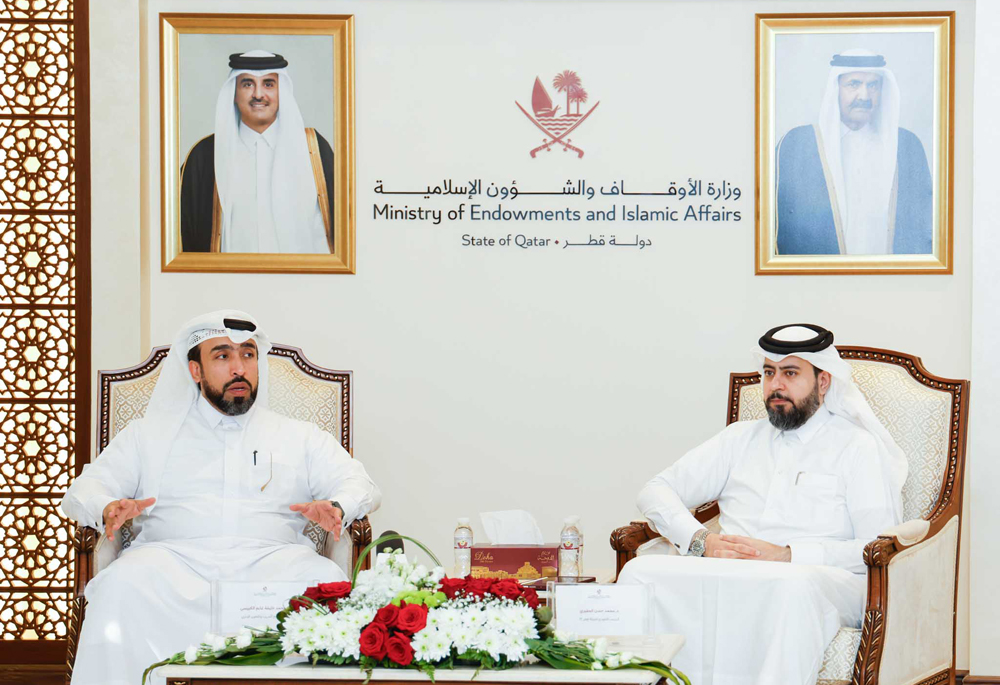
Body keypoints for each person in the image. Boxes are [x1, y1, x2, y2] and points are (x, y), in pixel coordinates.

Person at [61, 310, 380, 685]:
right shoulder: (147, 435)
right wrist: (107, 506)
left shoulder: (299, 436)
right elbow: (85, 488)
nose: (239, 368)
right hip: (169, 565)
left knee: (323, 580)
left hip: (274, 564)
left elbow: (359, 482)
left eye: (248, 355)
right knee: (120, 586)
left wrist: (338, 505)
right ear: (195, 370)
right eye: (223, 356)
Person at [618, 323, 905, 685]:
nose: (775, 385)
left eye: (790, 373)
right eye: (769, 373)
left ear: (823, 381)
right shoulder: (740, 439)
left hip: (821, 579)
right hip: (734, 571)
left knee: (791, 587)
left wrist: (788, 555)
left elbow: (876, 547)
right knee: (639, 574)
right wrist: (700, 541)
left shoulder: (857, 447)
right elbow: (655, 490)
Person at [775, 50, 933, 255]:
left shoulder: (907, 146)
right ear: (836, 89)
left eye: (873, 85)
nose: (864, 96)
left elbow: (923, 226)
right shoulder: (798, 145)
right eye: (853, 84)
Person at [180, 51, 335, 253]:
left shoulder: (314, 149)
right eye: (248, 84)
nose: (258, 94)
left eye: (268, 84)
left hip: (303, 274)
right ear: (234, 93)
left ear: (282, 92)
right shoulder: (205, 156)